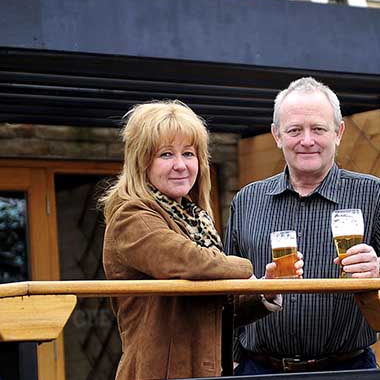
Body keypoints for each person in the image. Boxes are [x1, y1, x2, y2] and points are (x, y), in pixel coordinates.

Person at [225, 77, 380, 374]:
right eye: (294, 130)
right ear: (277, 136)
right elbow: (228, 293)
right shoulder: (247, 200)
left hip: (349, 369)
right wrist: (233, 360)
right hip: (260, 370)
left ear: (338, 132)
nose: (306, 140)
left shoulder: (374, 195)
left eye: (318, 129)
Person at [101, 101, 303, 380]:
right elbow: (187, 261)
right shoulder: (132, 215)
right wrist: (247, 271)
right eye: (166, 155)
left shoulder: (193, 219)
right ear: (141, 160)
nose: (180, 165)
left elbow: (210, 313)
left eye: (188, 154)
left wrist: (264, 293)